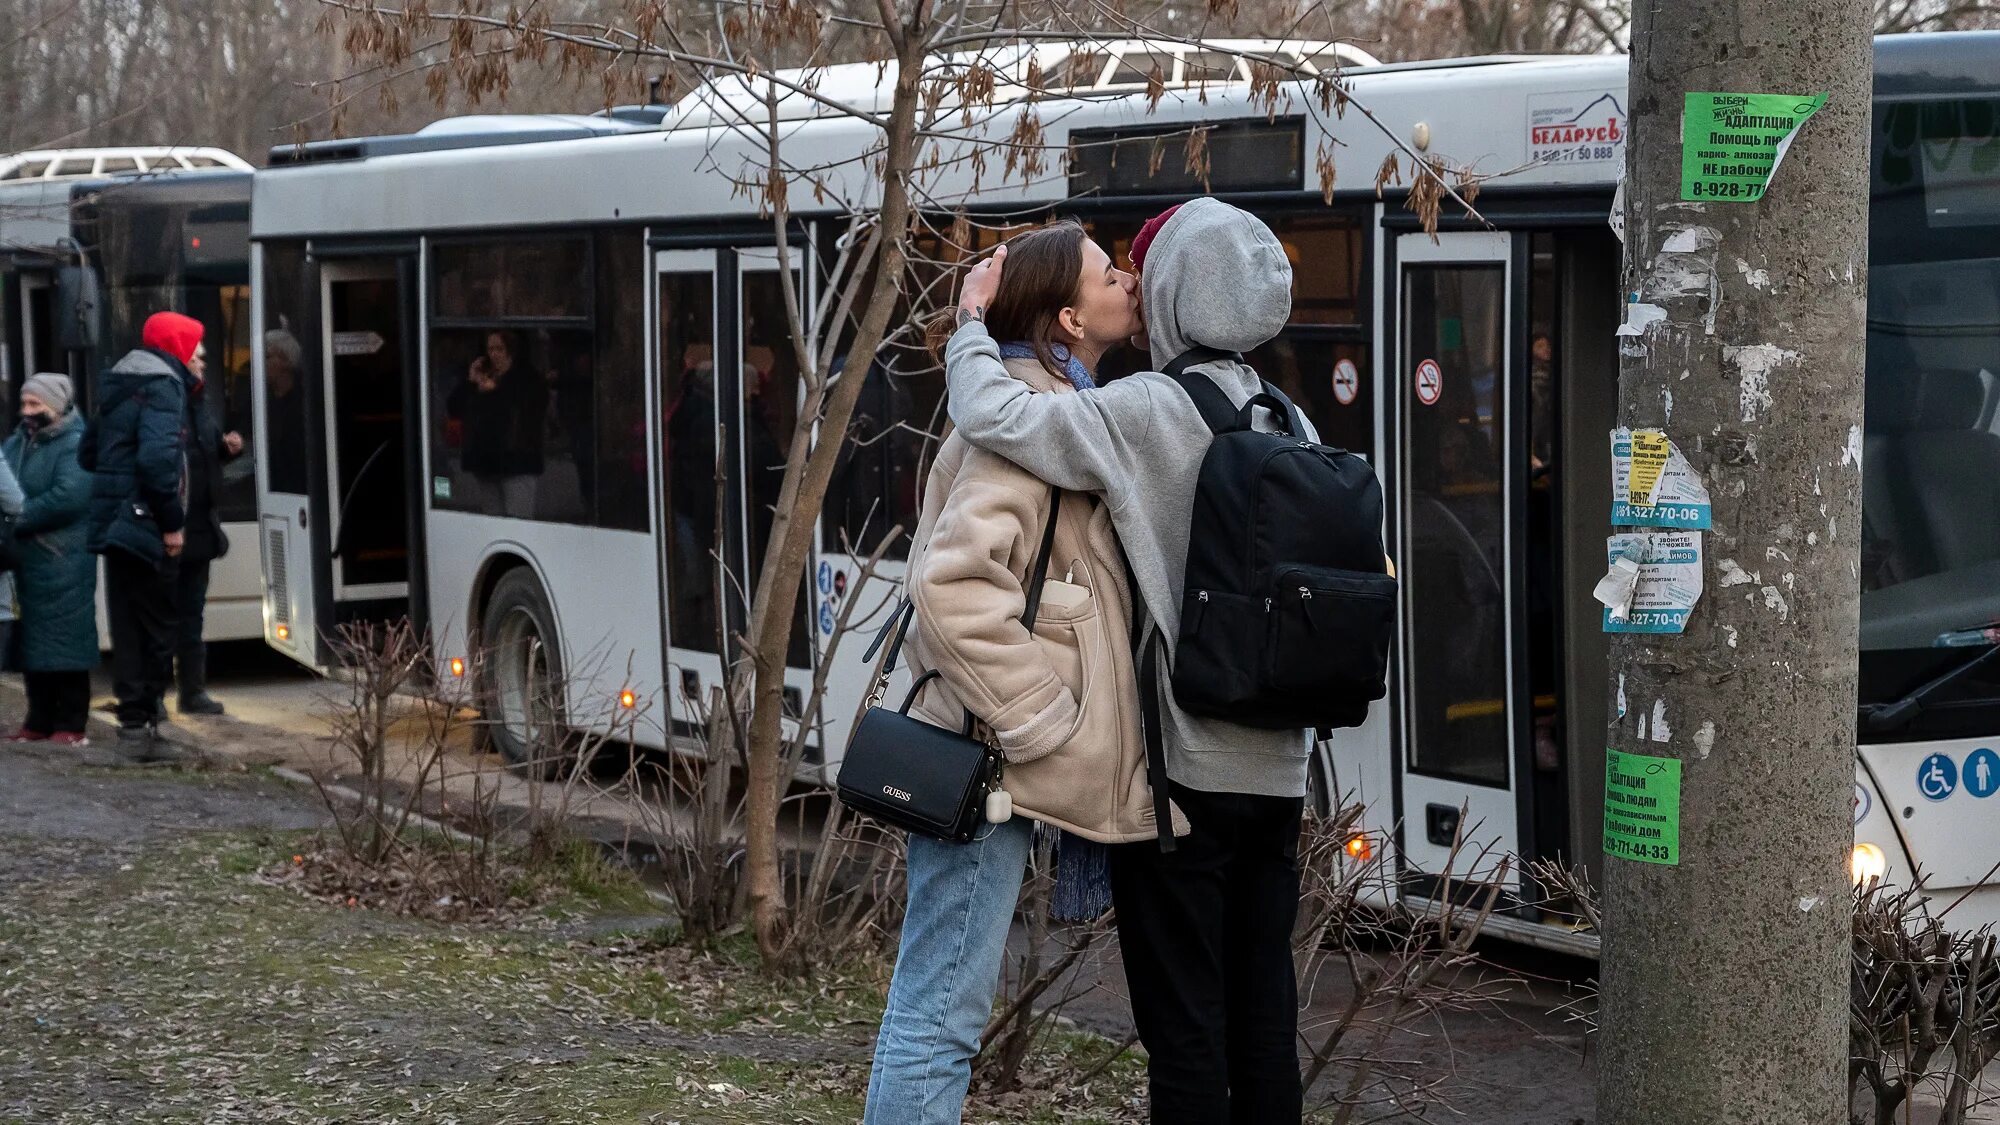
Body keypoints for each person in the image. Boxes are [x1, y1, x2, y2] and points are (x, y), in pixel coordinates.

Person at [944, 198, 1317, 1123]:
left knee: (1186, 1035)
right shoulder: (1291, 420)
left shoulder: (1149, 410)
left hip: (1183, 778)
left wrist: (967, 329)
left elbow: (999, 413)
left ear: (1183, 293)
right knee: (1266, 1024)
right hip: (1281, 771)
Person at [864, 220, 1181, 1125]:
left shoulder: (1049, 404)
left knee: (938, 998)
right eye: (1107, 273)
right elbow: (953, 588)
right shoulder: (1028, 417)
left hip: (990, 755)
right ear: (1070, 320)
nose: (1128, 279)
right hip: (990, 764)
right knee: (943, 1010)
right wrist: (1041, 721)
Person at [82, 311, 196, 752]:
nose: (196, 355)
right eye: (192, 345)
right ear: (175, 346)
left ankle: (130, 723)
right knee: (159, 623)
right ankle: (152, 723)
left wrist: (118, 477)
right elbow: (155, 462)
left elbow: (88, 453)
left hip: (115, 523)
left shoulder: (118, 384)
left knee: (127, 624)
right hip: (147, 524)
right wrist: (170, 522)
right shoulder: (164, 386)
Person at [3, 375, 97, 746]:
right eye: (24, 404)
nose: (27, 412)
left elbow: (69, 497)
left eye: (35, 405)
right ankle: (38, 720)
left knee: (66, 643)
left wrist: (17, 516)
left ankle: (72, 722)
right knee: (32, 644)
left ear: (58, 406)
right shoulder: (19, 441)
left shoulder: (76, 444)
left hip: (63, 558)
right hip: (28, 558)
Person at [173, 339, 246, 715]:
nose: (202, 361)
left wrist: (224, 448)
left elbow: (199, 453)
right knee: (161, 615)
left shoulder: (197, 401)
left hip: (199, 528)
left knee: (191, 613)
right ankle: (151, 699)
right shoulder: (166, 401)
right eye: (195, 355)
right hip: (169, 529)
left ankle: (192, 691)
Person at [446, 330, 545, 517]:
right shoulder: (483, 377)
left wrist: (496, 390)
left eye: (499, 348)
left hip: (516, 461)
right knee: (493, 520)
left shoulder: (527, 377)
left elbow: (529, 408)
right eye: (490, 349)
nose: (494, 354)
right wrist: (471, 381)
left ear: (511, 351)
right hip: (486, 462)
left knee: (518, 521)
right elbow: (454, 407)